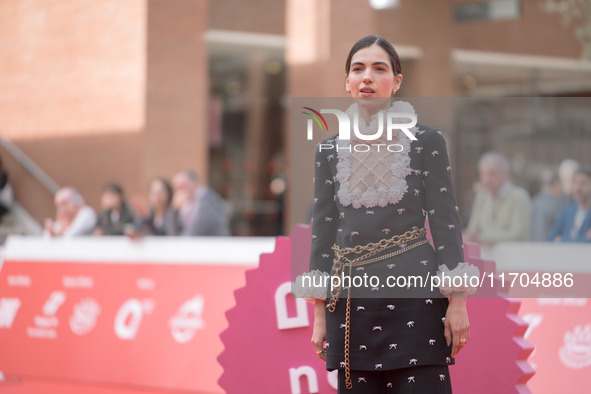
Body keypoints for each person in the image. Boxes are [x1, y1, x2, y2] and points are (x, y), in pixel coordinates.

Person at [294, 35, 479, 393]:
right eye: (357, 69)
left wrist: (458, 302)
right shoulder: (329, 151)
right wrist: (319, 315)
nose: (367, 77)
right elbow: (325, 232)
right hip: (350, 304)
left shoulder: (427, 141)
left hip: (416, 298)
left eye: (379, 69)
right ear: (346, 83)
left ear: (396, 82)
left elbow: (445, 220)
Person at [463, 152, 531, 247]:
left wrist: (484, 238)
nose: (487, 179)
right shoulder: (481, 197)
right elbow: (473, 230)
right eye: (483, 174)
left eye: (492, 174)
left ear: (505, 175)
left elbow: (518, 235)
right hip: (486, 257)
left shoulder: (519, 197)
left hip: (514, 257)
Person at [172, 170, 230, 236]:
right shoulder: (185, 203)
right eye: (176, 188)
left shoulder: (207, 199)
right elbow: (175, 230)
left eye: (182, 185)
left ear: (194, 183)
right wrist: (175, 211)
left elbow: (196, 231)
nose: (179, 190)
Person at [547, 165, 591, 243]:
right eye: (575, 183)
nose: (578, 188)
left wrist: (561, 239)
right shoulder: (567, 212)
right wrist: (583, 239)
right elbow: (551, 238)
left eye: (583, 183)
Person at [530, 168, 570, 241]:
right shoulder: (556, 204)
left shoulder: (534, 201)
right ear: (557, 183)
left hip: (533, 246)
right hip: (549, 247)